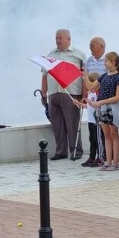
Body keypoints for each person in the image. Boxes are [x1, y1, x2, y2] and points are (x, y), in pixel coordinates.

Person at [41, 29, 86, 161]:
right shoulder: (50, 54)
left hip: (71, 92)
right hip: (54, 92)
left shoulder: (78, 54)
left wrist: (85, 93)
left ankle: (76, 150)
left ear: (68, 39)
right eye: (56, 38)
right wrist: (44, 93)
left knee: (72, 122)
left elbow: (84, 75)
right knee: (57, 123)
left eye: (60, 38)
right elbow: (44, 75)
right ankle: (61, 151)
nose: (58, 40)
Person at [81, 52, 119, 171]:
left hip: (112, 108)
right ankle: (108, 161)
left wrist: (101, 102)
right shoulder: (104, 76)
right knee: (106, 135)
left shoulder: (118, 77)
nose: (104, 63)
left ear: (113, 62)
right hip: (102, 108)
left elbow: (117, 97)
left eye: (106, 61)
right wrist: (84, 74)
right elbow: (90, 86)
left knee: (113, 134)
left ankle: (115, 162)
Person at [81, 37, 107, 167]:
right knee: (93, 132)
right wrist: (85, 94)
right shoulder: (89, 61)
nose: (90, 47)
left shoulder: (108, 61)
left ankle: (106, 155)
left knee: (104, 131)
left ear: (101, 46)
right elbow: (85, 80)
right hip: (92, 97)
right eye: (90, 45)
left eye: (93, 45)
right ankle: (93, 156)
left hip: (103, 98)